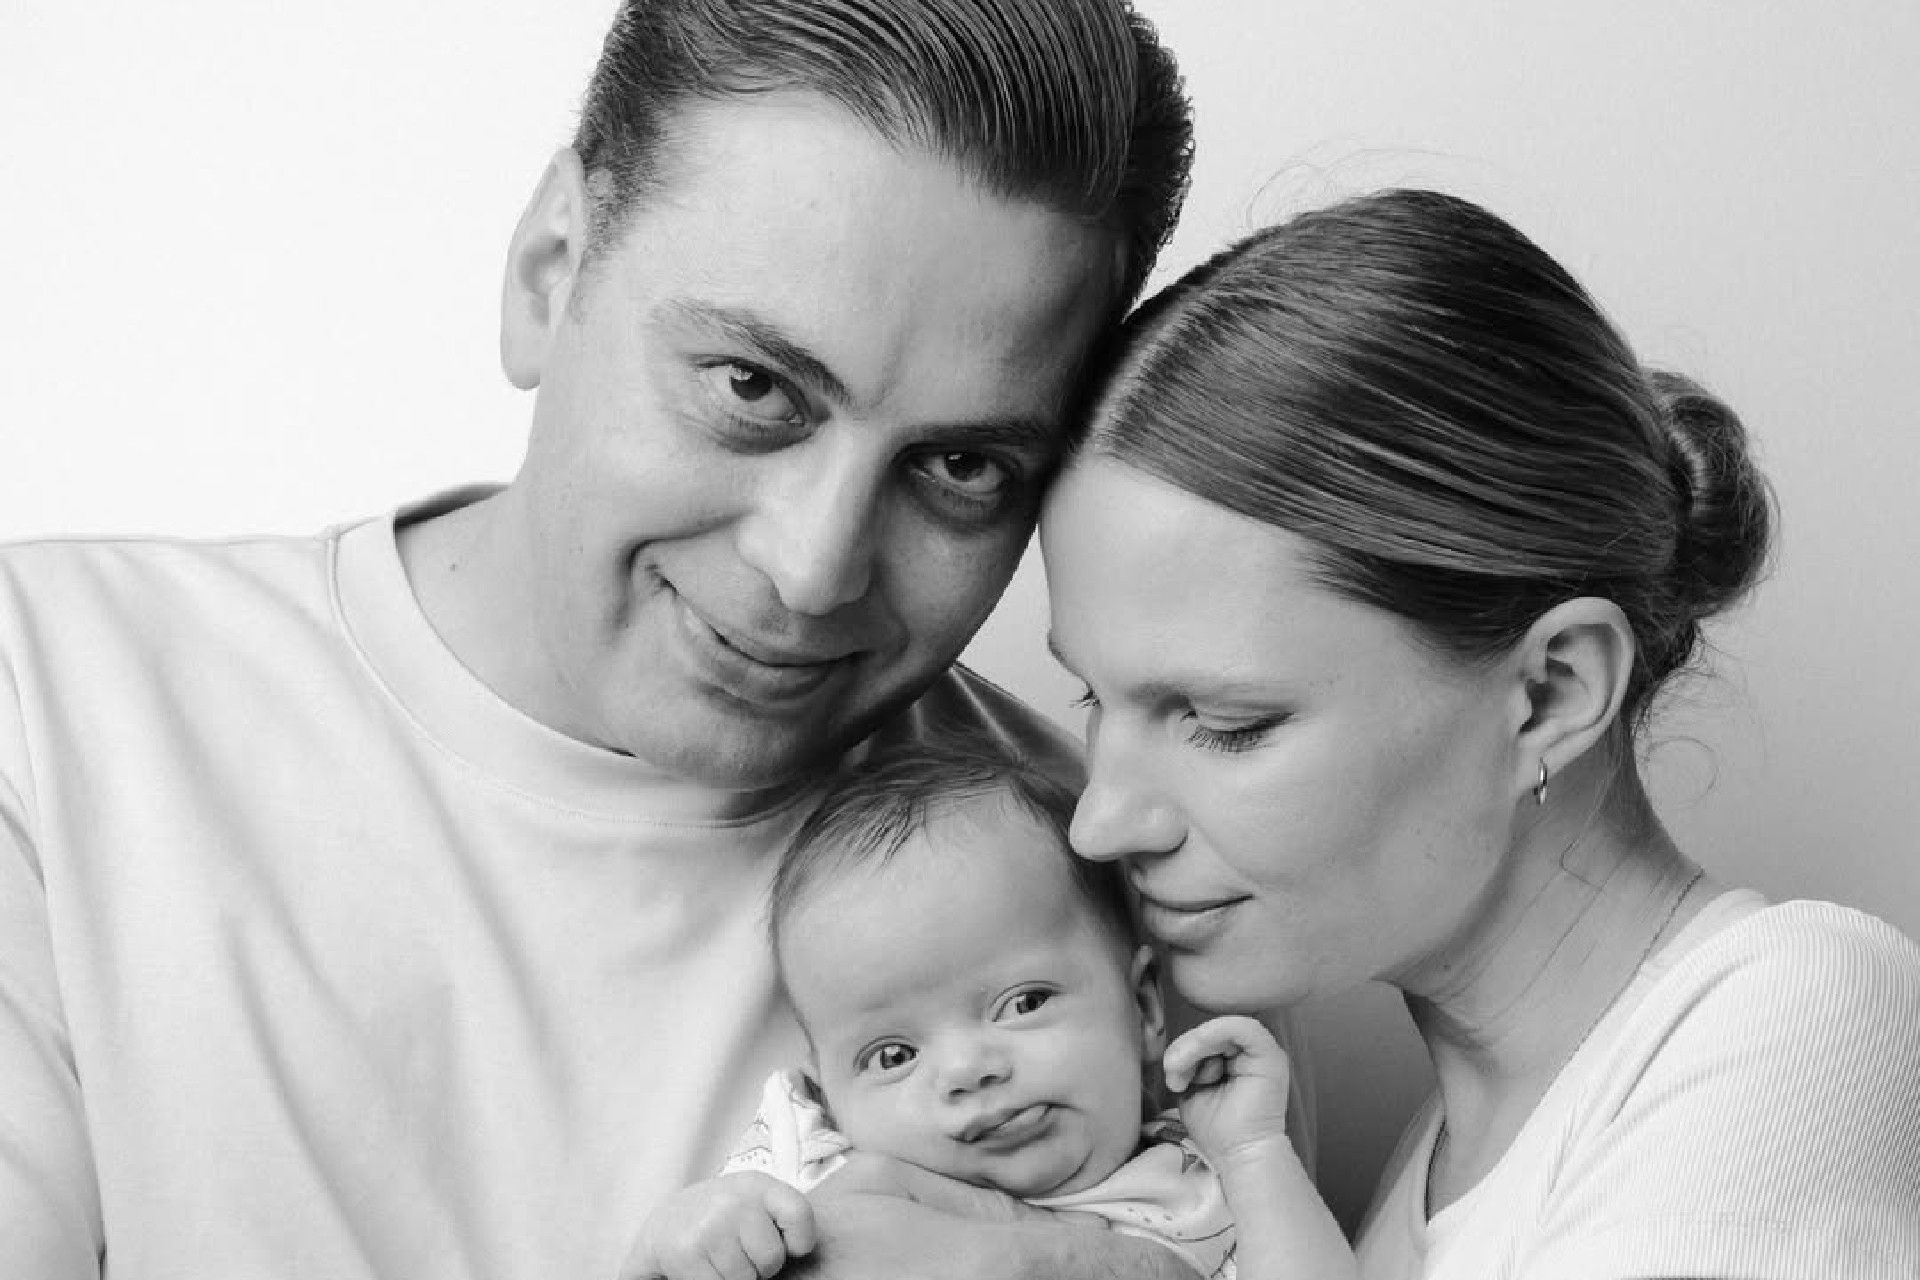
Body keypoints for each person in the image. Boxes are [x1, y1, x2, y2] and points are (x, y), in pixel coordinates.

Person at [0, 3, 1208, 1277]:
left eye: (960, 465)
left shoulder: (1127, 871)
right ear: (549, 270)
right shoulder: (45, 695)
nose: (812, 569)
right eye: (753, 386)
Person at [1041, 188, 1920, 1279]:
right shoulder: (1422, 1173)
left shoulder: (1794, 1015)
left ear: (1551, 692)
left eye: (1227, 722)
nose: (1099, 822)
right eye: (1093, 699)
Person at [631, 738, 1349, 1280]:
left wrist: (1256, 1154)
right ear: (828, 1091)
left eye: (1023, 1003)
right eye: (893, 1056)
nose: (968, 1069)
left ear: (1144, 1009)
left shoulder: (1203, 1185)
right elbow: (691, 1250)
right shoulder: (806, 1166)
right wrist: (693, 1230)